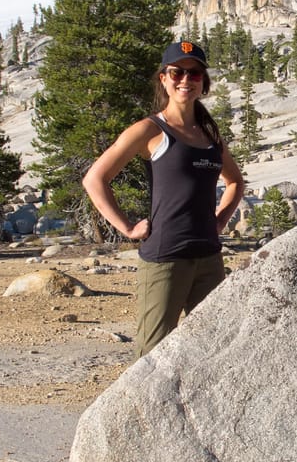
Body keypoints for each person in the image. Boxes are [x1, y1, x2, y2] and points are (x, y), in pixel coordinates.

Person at [83, 41, 244, 358]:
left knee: (214, 348)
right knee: (153, 353)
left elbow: (235, 181)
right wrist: (127, 228)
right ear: (164, 78)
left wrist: (221, 220)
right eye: (177, 72)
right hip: (165, 257)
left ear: (203, 81)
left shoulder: (210, 135)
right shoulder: (149, 130)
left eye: (194, 73)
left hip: (209, 257)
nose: (185, 80)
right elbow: (94, 179)